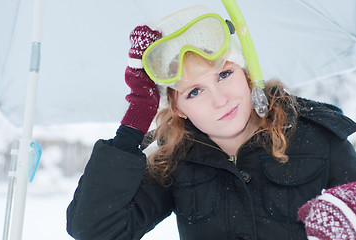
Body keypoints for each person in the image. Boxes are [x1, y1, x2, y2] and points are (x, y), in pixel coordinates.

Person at [66, 5, 356, 240]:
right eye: (195, 91)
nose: (220, 100)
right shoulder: (174, 161)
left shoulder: (320, 138)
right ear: (178, 109)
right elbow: (94, 230)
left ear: (246, 72)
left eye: (224, 74)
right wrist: (136, 117)